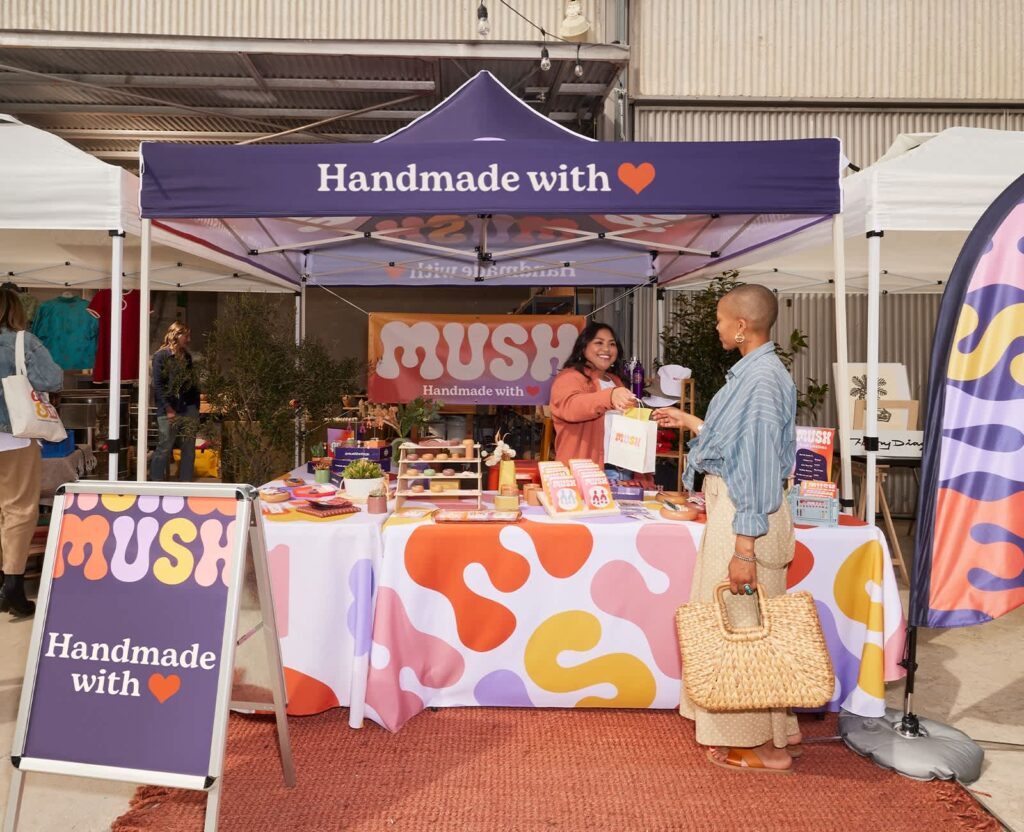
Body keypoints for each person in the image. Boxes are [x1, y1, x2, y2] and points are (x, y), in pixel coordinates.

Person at [653, 284, 800, 774]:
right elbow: (736, 443)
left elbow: (756, 468)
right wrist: (691, 421)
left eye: (720, 318)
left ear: (742, 326)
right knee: (746, 624)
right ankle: (772, 733)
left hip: (745, 518)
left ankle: (764, 746)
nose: (716, 326)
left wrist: (743, 548)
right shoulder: (755, 373)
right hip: (736, 512)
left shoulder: (759, 381)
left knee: (742, 627)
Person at [0, 288, 63, 618]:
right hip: (14, 435)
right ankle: (13, 584)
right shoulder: (22, 341)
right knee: (20, 509)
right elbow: (53, 378)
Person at [549, 321, 637, 471]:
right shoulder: (569, 377)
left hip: (622, 471)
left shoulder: (616, 381)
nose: (606, 349)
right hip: (585, 473)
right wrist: (609, 397)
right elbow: (571, 407)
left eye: (612, 344)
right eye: (599, 343)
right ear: (583, 348)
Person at [150, 321, 200, 482]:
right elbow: (158, 385)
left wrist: (196, 406)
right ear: (177, 335)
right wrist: (168, 408)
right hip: (169, 409)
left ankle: (186, 484)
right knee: (165, 446)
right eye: (187, 335)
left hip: (188, 407)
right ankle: (155, 483)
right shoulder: (161, 356)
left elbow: (192, 382)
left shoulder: (186, 356)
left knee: (189, 448)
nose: (189, 339)